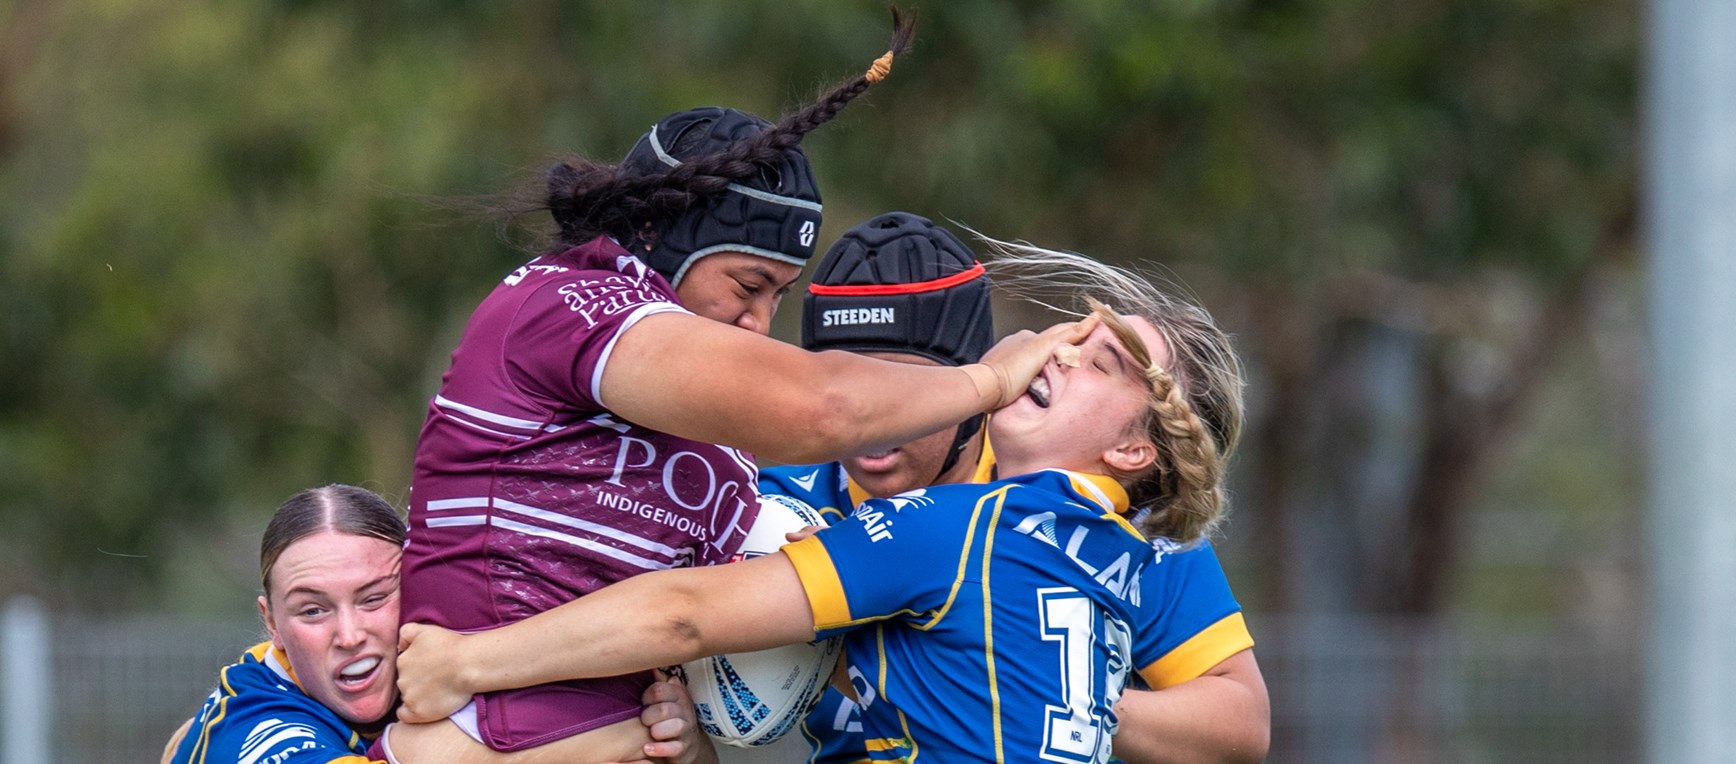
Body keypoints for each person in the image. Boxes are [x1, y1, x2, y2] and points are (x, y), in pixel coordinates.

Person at [386, 13, 1093, 763]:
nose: (756, 324)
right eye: (748, 286)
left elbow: (684, 623)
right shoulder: (567, 304)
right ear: (665, 238)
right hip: (481, 741)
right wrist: (987, 380)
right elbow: (825, 409)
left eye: (779, 298)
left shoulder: (704, 426)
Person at [392, 242, 1263, 764]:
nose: (1058, 355)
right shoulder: (1111, 564)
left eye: (1101, 362)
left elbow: (685, 618)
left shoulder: (961, 530)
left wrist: (471, 666)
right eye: (1070, 340)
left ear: (1134, 451)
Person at [756, 213, 1269, 763]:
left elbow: (1239, 723)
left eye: (908, 378)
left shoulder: (1115, 525)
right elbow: (678, 633)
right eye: (844, 378)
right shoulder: (773, 508)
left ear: (968, 372)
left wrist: (1056, 694)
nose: (876, 404)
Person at [164, 485, 405, 764]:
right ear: (273, 623)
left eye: (374, 599)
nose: (349, 637)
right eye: (313, 611)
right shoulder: (254, 732)